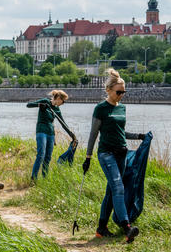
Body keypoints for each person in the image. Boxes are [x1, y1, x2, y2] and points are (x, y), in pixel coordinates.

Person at [82, 69, 145, 243]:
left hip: (121, 154)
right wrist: (88, 158)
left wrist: (139, 136)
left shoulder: (122, 108)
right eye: (119, 92)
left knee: (111, 191)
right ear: (109, 90)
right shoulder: (100, 108)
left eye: (123, 92)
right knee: (118, 187)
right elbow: (93, 135)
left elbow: (121, 132)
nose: (121, 95)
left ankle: (101, 228)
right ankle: (127, 227)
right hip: (106, 154)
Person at [27, 90, 72, 180]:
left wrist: (72, 135)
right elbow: (28, 105)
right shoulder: (45, 101)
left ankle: (44, 178)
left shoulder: (56, 109)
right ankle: (33, 178)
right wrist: (40, 105)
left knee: (48, 157)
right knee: (41, 154)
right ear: (59, 99)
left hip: (50, 133)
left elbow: (63, 123)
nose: (63, 104)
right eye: (63, 102)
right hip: (41, 131)